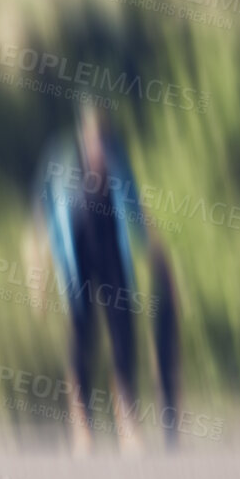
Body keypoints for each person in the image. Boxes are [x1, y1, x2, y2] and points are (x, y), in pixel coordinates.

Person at [32, 106, 179, 454]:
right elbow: (42, 217)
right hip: (77, 257)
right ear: (84, 135)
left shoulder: (117, 159)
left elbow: (136, 206)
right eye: (93, 136)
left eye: (103, 136)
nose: (99, 144)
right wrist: (37, 274)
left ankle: (127, 420)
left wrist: (156, 252)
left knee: (123, 333)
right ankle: (81, 422)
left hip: (113, 253)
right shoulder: (64, 161)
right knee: (83, 337)